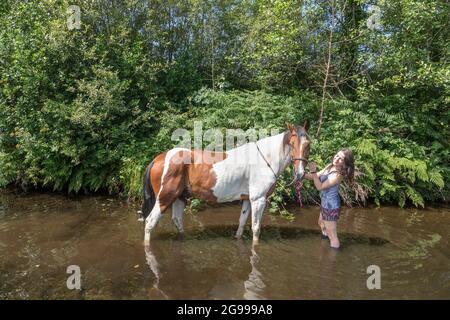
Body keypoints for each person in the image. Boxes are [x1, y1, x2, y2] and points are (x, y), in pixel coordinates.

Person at [305, 148, 354, 249]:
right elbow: (316, 176)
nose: (336, 159)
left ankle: (333, 259)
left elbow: (320, 186)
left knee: (333, 236)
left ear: (345, 162)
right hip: (325, 203)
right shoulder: (330, 166)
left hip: (331, 206)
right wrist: (302, 175)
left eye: (340, 159)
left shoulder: (338, 174)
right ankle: (324, 244)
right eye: (336, 155)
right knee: (321, 224)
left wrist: (313, 171)